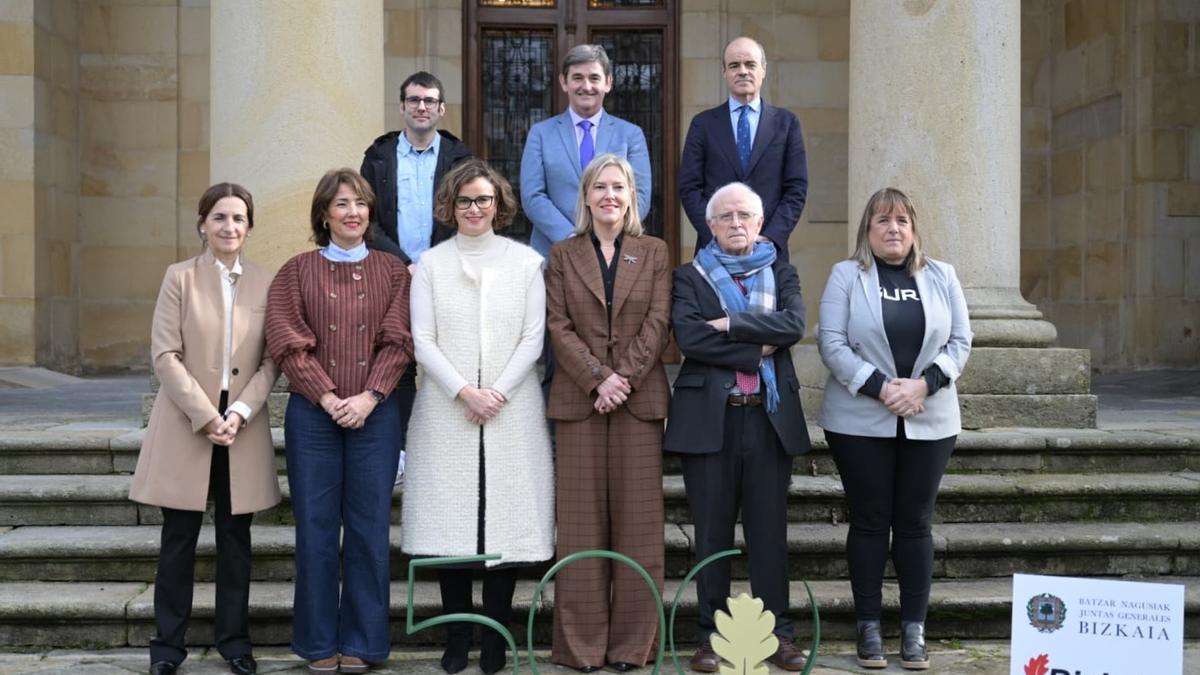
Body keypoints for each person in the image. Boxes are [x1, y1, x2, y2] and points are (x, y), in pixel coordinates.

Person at [401, 159, 554, 675]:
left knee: (503, 525)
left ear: (499, 205)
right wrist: (466, 391)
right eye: (465, 200)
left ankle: (495, 637)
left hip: (513, 410)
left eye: (483, 200)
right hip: (447, 410)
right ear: (450, 205)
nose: (474, 209)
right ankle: (457, 636)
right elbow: (422, 340)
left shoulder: (527, 262)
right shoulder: (430, 265)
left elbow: (534, 338)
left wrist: (497, 393)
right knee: (452, 525)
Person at [816, 187, 971, 671]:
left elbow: (962, 341)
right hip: (859, 420)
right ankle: (868, 628)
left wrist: (923, 386)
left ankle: (913, 630)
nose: (893, 229)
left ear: (914, 228)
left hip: (931, 418)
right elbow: (832, 342)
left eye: (902, 220)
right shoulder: (847, 275)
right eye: (882, 220)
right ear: (868, 229)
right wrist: (883, 388)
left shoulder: (942, 275)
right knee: (869, 519)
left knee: (915, 522)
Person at [265, 169, 412, 674]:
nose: (353, 213)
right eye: (342, 203)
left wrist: (370, 397)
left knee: (370, 531)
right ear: (323, 213)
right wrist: (328, 398)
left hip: (376, 415)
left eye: (361, 203)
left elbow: (400, 340)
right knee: (316, 529)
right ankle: (317, 642)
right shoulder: (295, 271)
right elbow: (286, 340)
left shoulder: (394, 272)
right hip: (313, 418)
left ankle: (365, 643)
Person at [130, 182, 280, 675]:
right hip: (187, 424)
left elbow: (272, 361)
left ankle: (234, 642)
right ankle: (167, 648)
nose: (229, 227)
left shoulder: (266, 281)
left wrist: (237, 413)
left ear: (250, 226)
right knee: (178, 542)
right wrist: (206, 414)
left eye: (238, 218)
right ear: (203, 224)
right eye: (219, 217)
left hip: (242, 426)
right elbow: (165, 355)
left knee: (236, 544)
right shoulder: (180, 278)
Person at [664, 182, 811, 673]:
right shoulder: (689, 277)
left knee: (769, 536)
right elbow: (689, 337)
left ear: (760, 222)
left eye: (744, 215)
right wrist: (755, 344)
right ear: (710, 226)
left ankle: (778, 636)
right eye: (725, 217)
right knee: (711, 536)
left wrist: (728, 325)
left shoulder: (782, 272)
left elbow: (792, 326)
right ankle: (710, 638)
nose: (735, 223)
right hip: (711, 420)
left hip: (768, 421)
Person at [545, 154, 671, 673]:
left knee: (640, 530)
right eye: (600, 187)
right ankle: (581, 649)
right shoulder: (562, 253)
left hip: (638, 405)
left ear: (632, 196)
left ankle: (632, 648)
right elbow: (557, 325)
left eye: (618, 187)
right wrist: (599, 378)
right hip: (580, 403)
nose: (609, 196)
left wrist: (623, 380)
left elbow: (659, 323)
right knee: (580, 530)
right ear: (586, 196)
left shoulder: (655, 251)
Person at [360, 70, 474, 484]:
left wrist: (434, 264)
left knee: (450, 363)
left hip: (448, 276)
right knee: (398, 363)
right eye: (414, 100)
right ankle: (403, 451)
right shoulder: (378, 157)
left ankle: (448, 449)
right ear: (403, 107)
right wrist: (401, 263)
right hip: (392, 275)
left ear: (441, 109)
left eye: (429, 101)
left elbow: (475, 217)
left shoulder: (462, 159)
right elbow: (365, 219)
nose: (421, 107)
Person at [678, 36, 808, 262]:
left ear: (763, 70)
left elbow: (796, 188)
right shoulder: (703, 124)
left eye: (750, 64)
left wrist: (770, 236)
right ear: (724, 72)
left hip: (769, 251)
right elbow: (690, 187)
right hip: (714, 251)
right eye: (734, 65)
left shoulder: (786, 124)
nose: (743, 71)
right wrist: (717, 233)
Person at [520, 43, 652, 259]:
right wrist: (570, 238)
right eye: (578, 77)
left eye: (594, 78)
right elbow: (532, 196)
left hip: (613, 252)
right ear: (564, 82)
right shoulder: (541, 134)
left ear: (608, 83)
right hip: (555, 252)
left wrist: (606, 238)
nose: (586, 86)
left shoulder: (630, 135)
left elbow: (641, 195)